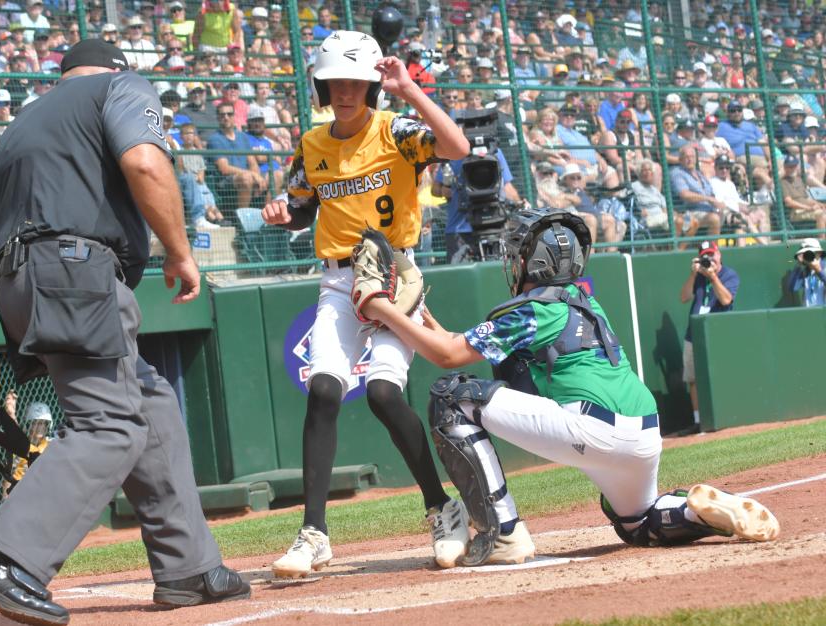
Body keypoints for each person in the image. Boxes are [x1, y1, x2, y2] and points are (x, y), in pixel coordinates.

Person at [0, 39, 249, 625]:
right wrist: (180, 252)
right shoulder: (122, 87)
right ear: (119, 68)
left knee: (149, 401)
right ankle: (7, 559)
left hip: (25, 282)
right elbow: (144, 161)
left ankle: (188, 567)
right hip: (75, 271)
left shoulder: (15, 130)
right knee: (109, 423)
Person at [357, 209, 778, 567]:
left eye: (519, 254)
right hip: (645, 434)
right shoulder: (583, 302)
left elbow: (449, 356)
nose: (513, 261)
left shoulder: (534, 310)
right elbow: (459, 342)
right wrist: (421, 317)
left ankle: (502, 532)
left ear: (534, 263)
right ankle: (692, 511)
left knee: (451, 396)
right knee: (638, 524)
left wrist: (380, 307)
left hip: (593, 429)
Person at [260, 30, 471, 577]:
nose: (346, 91)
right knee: (324, 390)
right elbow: (305, 206)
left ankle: (441, 507)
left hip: (397, 276)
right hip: (338, 280)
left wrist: (410, 90)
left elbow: (457, 149)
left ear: (370, 86)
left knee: (381, 392)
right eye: (336, 82)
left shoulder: (395, 129)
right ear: (322, 86)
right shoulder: (311, 144)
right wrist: (287, 213)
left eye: (356, 82)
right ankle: (314, 534)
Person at [680, 241, 739, 433]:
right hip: (694, 334)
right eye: (706, 256)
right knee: (693, 378)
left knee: (720, 375)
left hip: (717, 334)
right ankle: (698, 422)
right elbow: (684, 297)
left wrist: (713, 277)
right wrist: (692, 273)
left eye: (712, 255)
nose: (710, 259)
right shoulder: (697, 276)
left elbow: (726, 299)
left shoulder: (729, 274)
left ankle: (726, 416)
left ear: (719, 254)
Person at [433, 145, 520, 264]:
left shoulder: (494, 151)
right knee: (461, 277)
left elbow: (507, 186)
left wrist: (520, 203)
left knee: (500, 273)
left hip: (494, 225)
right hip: (460, 229)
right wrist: (442, 190)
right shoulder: (453, 152)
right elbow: (435, 189)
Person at [787, 238, 826, 307]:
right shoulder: (804, 271)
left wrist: (819, 271)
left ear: (819, 253)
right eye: (806, 254)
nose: (809, 256)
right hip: (808, 313)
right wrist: (799, 265)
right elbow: (792, 287)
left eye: (811, 253)